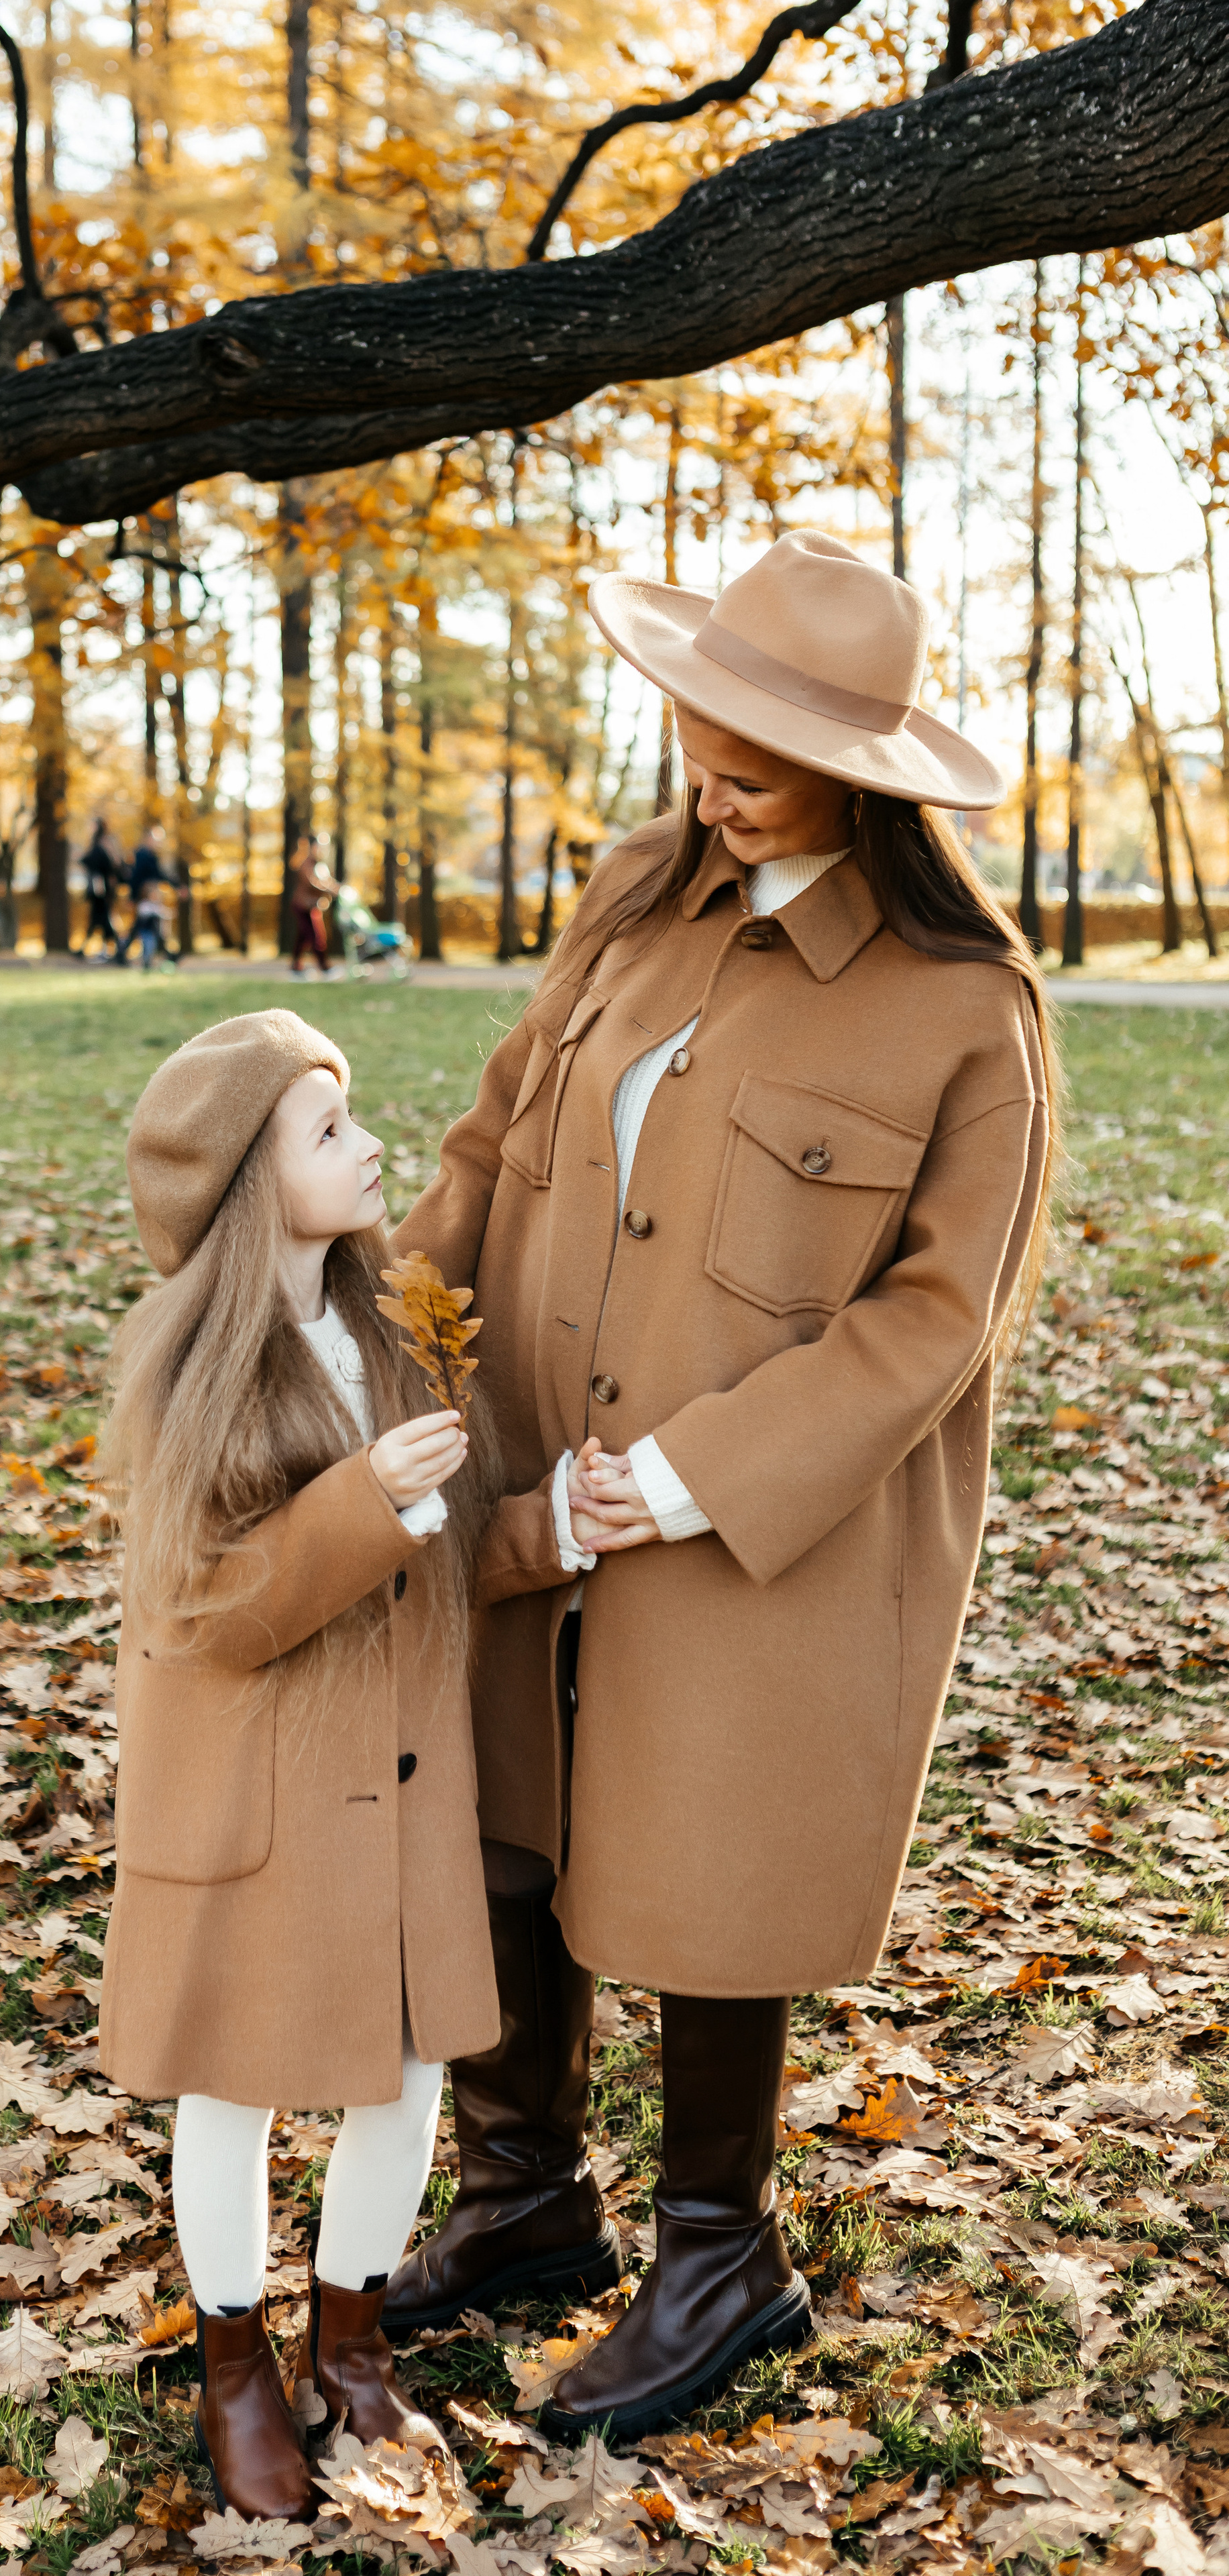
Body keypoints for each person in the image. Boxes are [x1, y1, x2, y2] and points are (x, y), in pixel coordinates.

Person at [382, 529, 1056, 2440]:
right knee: (507, 1815)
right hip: (519, 1461)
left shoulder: (961, 1010)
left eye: (756, 745)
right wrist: (376, 1346)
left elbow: (938, 1324)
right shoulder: (634, 903)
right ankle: (524, 2207)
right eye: (701, 720)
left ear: (865, 768)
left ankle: (719, 2255)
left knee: (706, 1860)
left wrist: (674, 1485)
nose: (709, 763)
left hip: (750, 1525)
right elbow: (485, 1143)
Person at [97, 1010, 593, 2518]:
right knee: (235, 2082)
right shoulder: (196, 1362)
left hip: (399, 1789)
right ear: (255, 1184)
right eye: (327, 1131)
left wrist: (550, 1531)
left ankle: (356, 2347)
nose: (371, 1142)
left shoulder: (399, 1326)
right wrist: (361, 1501)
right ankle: (235, 2364)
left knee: (402, 2073)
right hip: (256, 1791)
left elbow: (440, 1548)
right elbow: (209, 1608)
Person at [289, 834, 337, 977]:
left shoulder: (319, 865)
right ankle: (325, 968)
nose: (322, 850)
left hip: (312, 907)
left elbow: (327, 881)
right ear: (313, 847)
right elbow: (312, 883)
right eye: (320, 846)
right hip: (303, 906)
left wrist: (336, 888)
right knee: (316, 937)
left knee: (303, 938)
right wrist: (331, 890)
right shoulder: (307, 863)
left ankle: (296, 967)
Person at [125, 828, 172, 970]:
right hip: (144, 893)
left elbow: (160, 874)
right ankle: (165, 955)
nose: (158, 843)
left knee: (149, 929)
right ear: (149, 839)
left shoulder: (151, 856)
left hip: (151, 893)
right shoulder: (142, 855)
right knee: (141, 927)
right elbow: (136, 877)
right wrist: (133, 897)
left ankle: (168, 954)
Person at [81, 818, 120, 957]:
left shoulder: (102, 844)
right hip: (100, 890)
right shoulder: (98, 844)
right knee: (100, 920)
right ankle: (114, 950)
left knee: (102, 920)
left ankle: (118, 949)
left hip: (101, 890)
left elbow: (106, 864)